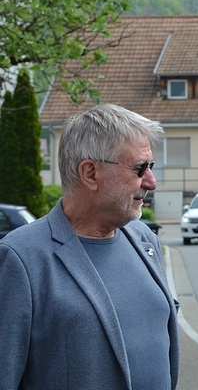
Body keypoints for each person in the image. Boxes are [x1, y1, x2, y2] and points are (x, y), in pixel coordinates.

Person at [0, 104, 179, 389]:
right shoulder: (21, 258)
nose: (152, 182)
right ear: (91, 173)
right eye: (140, 168)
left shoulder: (146, 240)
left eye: (151, 167)